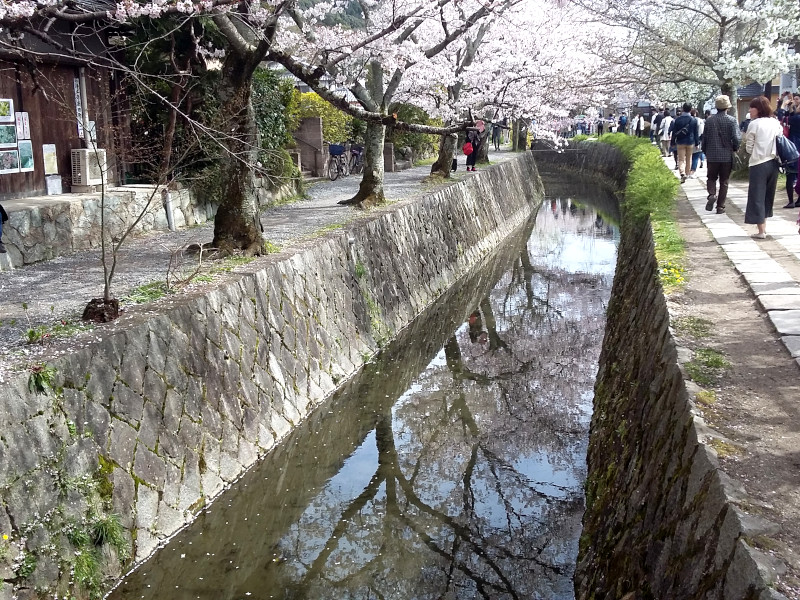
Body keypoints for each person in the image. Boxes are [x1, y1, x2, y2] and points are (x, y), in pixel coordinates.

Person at [743, 96, 783, 239]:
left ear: (758, 109)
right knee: (768, 196)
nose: (749, 110)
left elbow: (749, 148)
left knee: (757, 196)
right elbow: (780, 141)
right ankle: (763, 227)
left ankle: (761, 231)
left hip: (758, 163)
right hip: (773, 163)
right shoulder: (775, 122)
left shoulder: (754, 124)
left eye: (751, 107)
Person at [702, 95, 740, 213]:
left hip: (712, 155)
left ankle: (712, 194)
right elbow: (737, 138)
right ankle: (720, 207)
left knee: (711, 178)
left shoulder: (709, 120)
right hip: (726, 156)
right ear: (727, 107)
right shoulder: (732, 120)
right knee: (724, 182)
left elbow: (705, 138)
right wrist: (735, 148)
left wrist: (705, 151)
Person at [669, 102, 699, 183]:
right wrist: (697, 143)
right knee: (689, 158)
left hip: (680, 141)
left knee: (681, 159)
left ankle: (682, 173)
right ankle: (687, 173)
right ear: (691, 109)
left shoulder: (678, 119)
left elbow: (674, 132)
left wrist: (672, 143)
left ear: (683, 109)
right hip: (690, 141)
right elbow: (696, 132)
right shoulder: (693, 120)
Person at [782, 95, 800, 208]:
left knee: (790, 174)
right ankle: (798, 200)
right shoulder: (795, 118)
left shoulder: (794, 119)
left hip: (793, 147)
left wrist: (783, 106)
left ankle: (791, 201)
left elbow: (781, 117)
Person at [689, 108, 705, 177]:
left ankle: (687, 171)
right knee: (695, 156)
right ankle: (693, 171)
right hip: (696, 140)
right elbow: (701, 132)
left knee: (688, 157)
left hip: (687, 140)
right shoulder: (700, 121)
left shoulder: (688, 120)